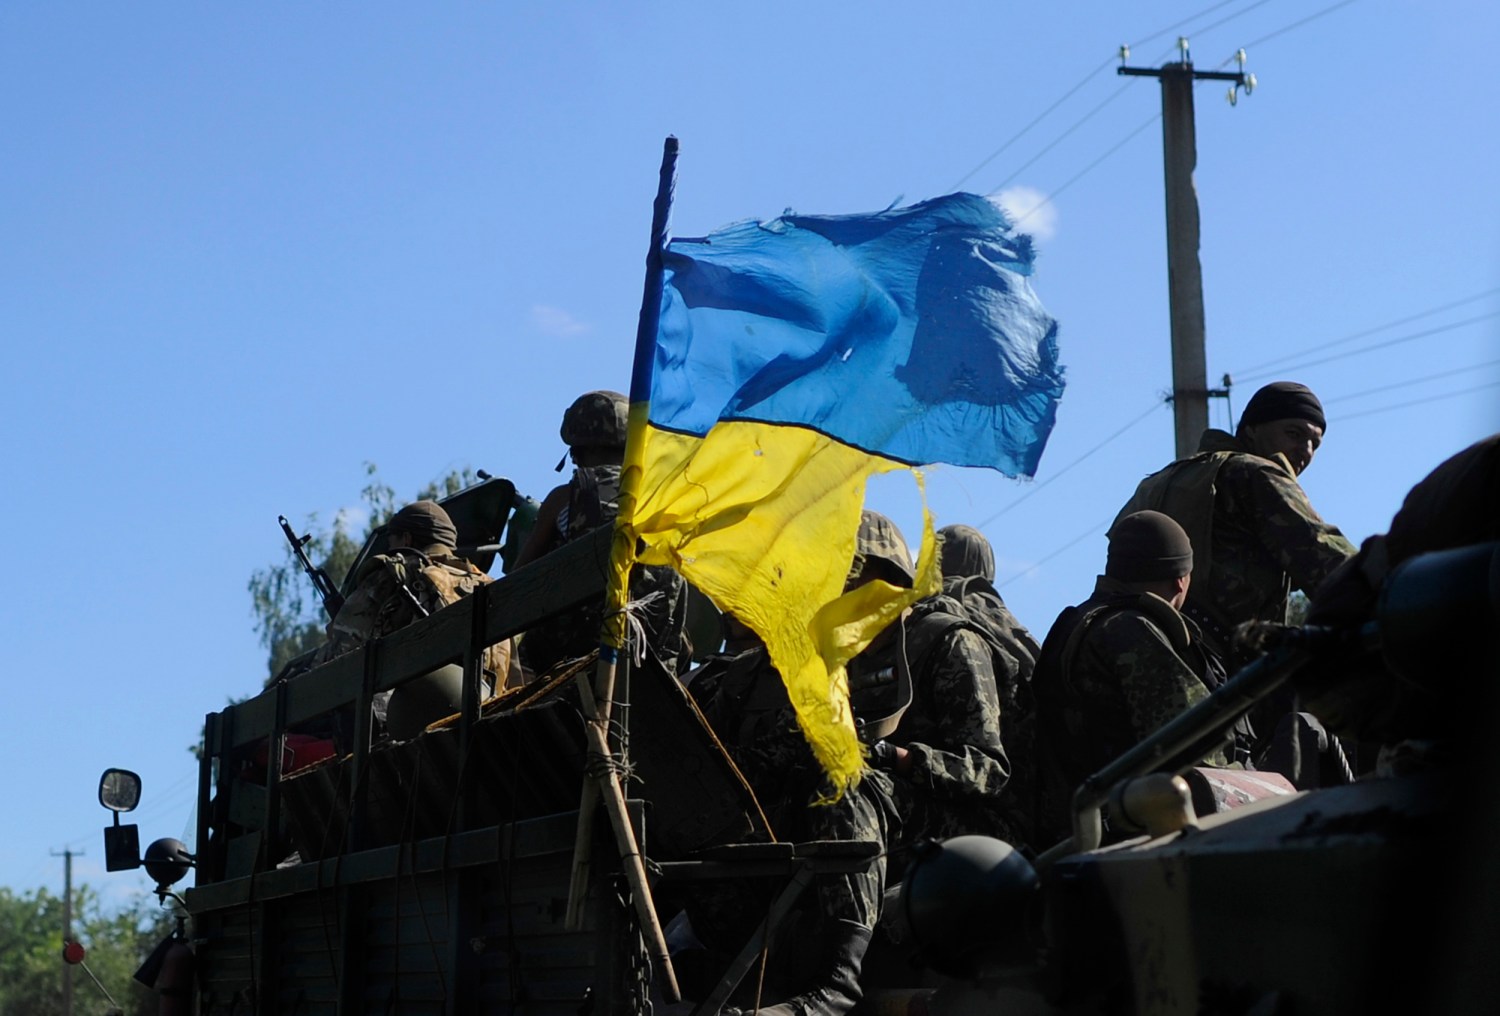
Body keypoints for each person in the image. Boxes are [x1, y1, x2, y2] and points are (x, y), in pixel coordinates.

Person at [1114, 381, 1357, 673]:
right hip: (1224, 670)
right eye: (1293, 434)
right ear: (1252, 429)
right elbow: (1327, 562)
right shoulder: (1257, 474)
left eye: (1314, 444)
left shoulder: (1161, 481)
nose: (1304, 450)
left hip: (1140, 651)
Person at [1030, 510, 1232, 845]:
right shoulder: (1134, 631)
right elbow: (1198, 748)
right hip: (1134, 839)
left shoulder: (1076, 623)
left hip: (1071, 836)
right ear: (1181, 579)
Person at [848, 512, 1019, 854]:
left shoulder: (947, 641)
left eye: (856, 574)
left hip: (977, 832)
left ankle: (849, 912)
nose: (844, 587)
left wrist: (897, 758)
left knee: (858, 795)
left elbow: (988, 771)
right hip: (899, 811)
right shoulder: (842, 656)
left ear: (893, 578)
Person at [512, 389, 689, 679]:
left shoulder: (564, 499)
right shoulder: (664, 504)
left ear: (576, 449)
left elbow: (514, 592)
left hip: (568, 670)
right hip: (651, 675)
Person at [311, 499, 515, 738]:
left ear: (406, 539)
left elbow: (338, 659)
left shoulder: (395, 572)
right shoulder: (485, 583)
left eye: (391, 541)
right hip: (489, 713)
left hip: (413, 726)